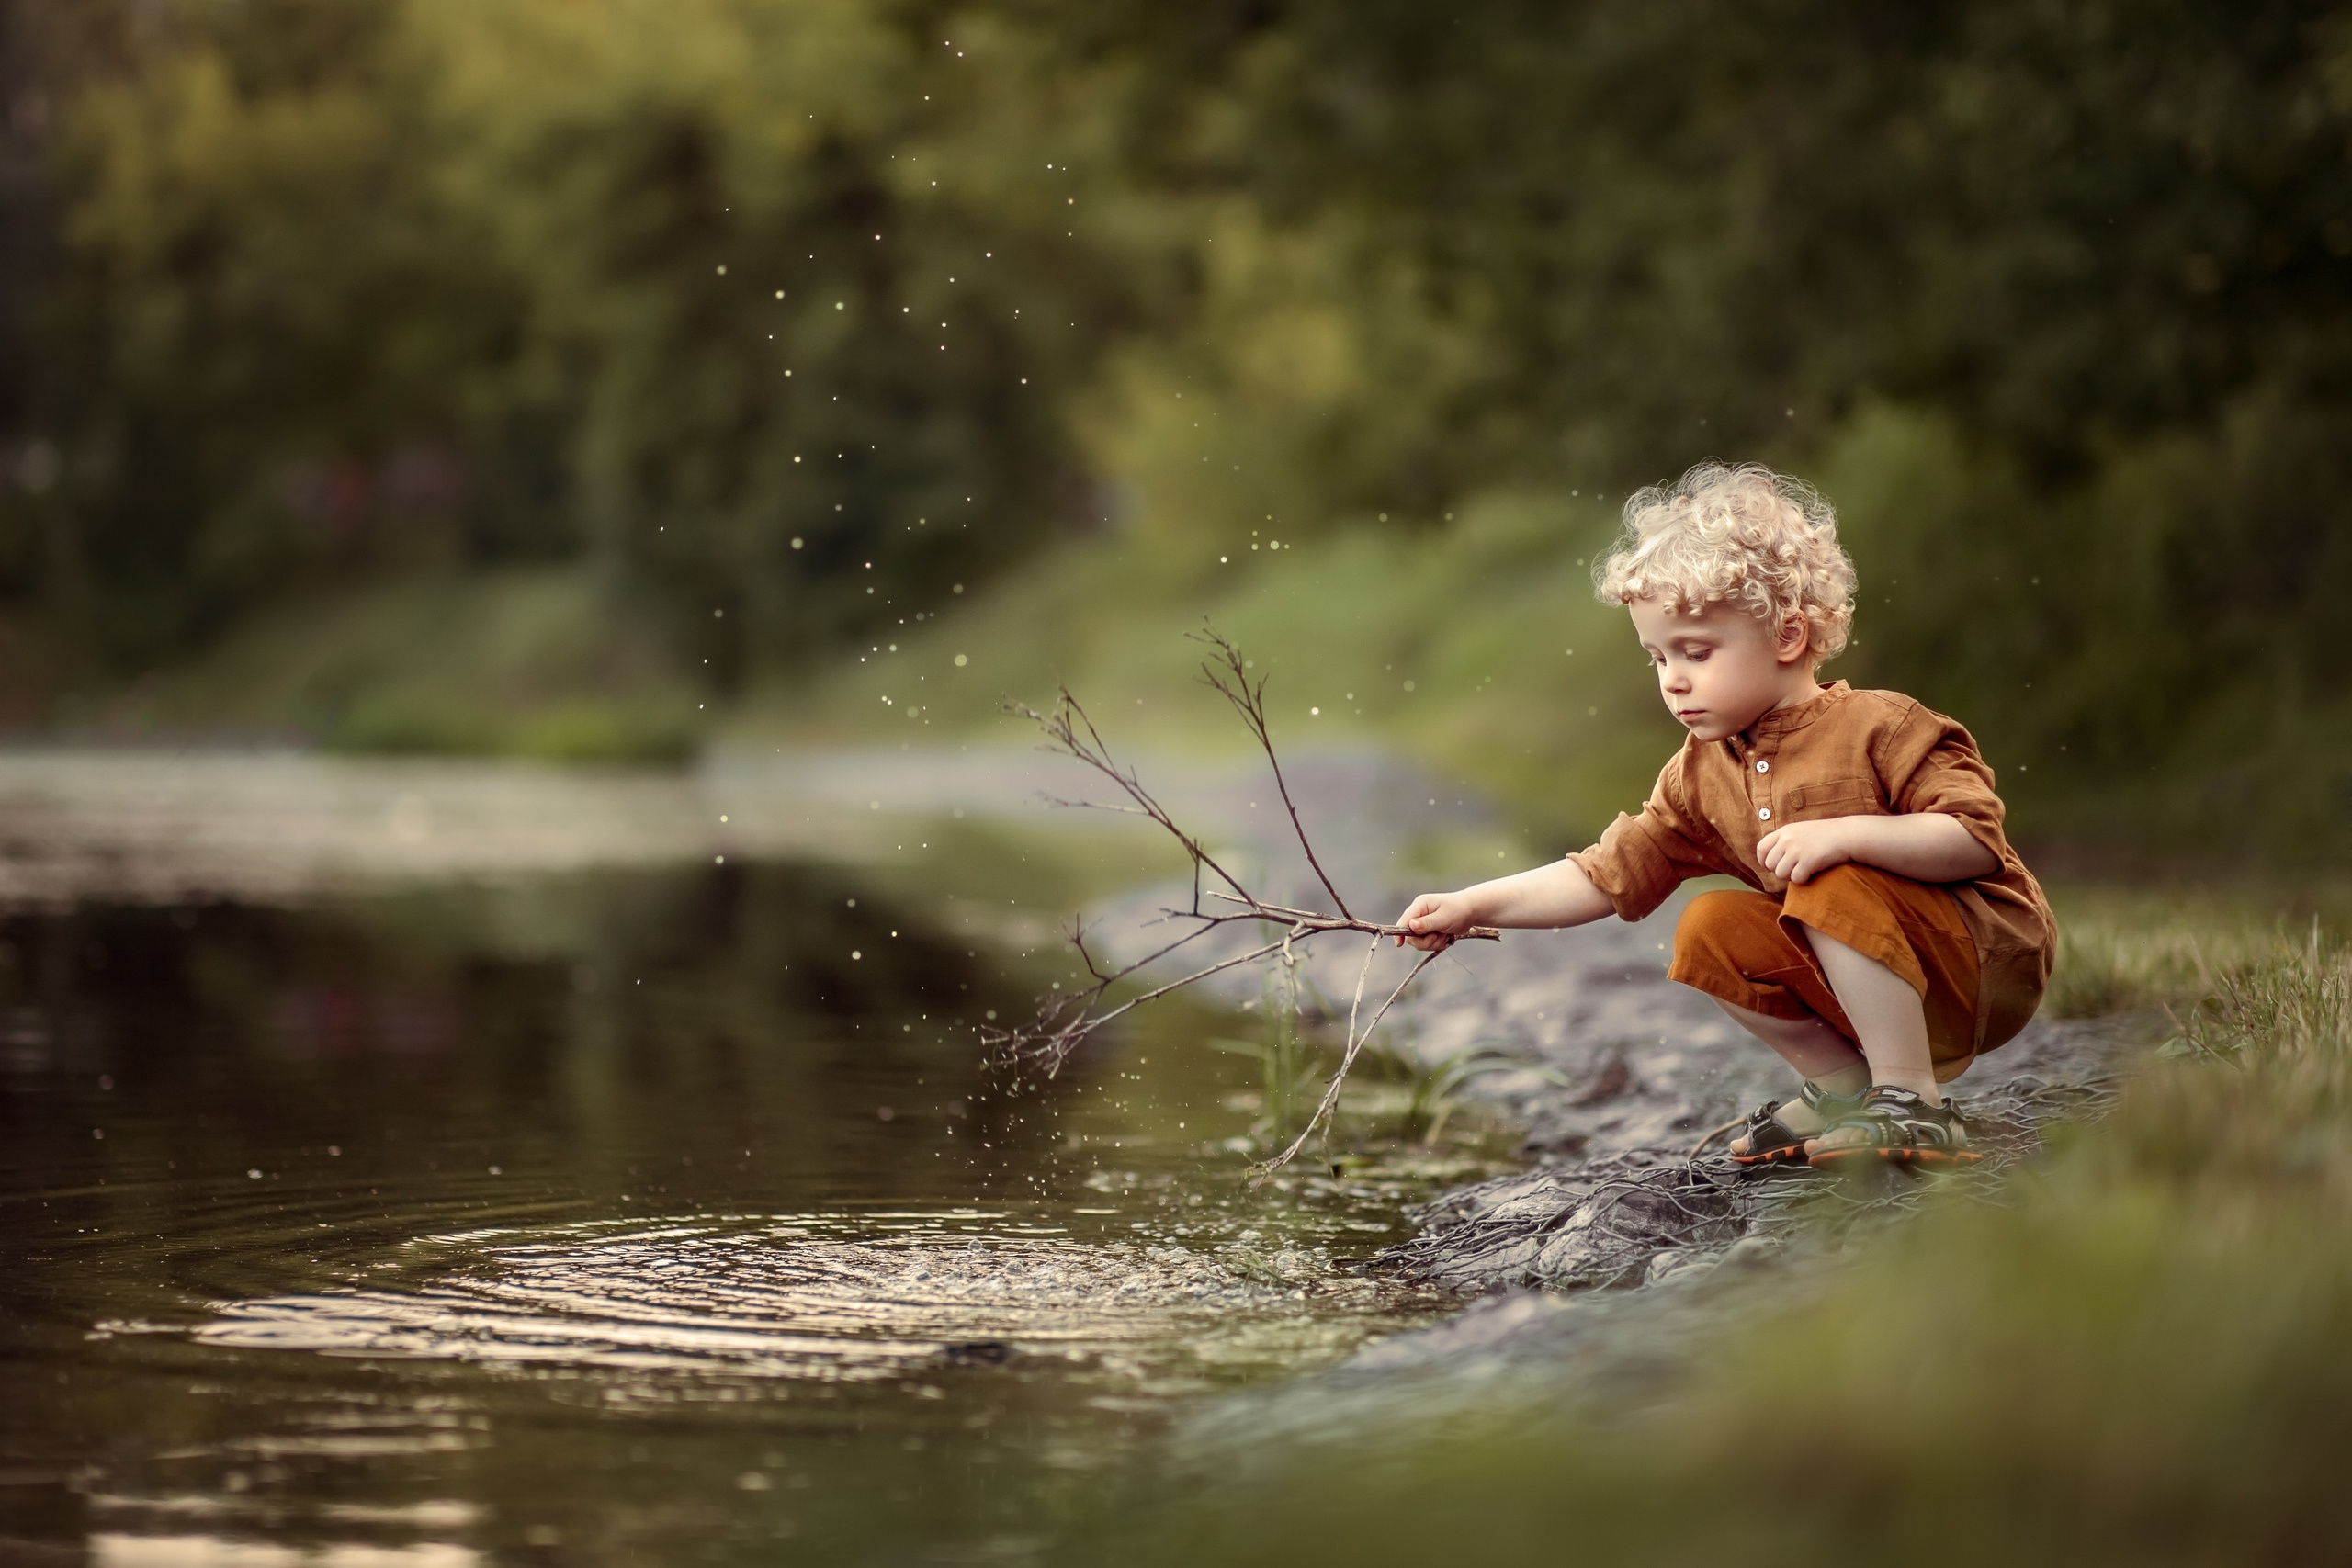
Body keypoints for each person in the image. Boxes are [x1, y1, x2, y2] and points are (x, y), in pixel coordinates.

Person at [1396, 461, 2054, 1167]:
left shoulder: (1881, 727)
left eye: (1696, 652)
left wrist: (1844, 835)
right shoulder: (1699, 775)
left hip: (1980, 964)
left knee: (1825, 874)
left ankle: (1910, 1102)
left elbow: (1973, 839)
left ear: (1788, 637)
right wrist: (1472, 904)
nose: (1673, 680)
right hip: (1876, 988)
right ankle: (1846, 1091)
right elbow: (1603, 875)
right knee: (1708, 926)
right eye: (1657, 658)